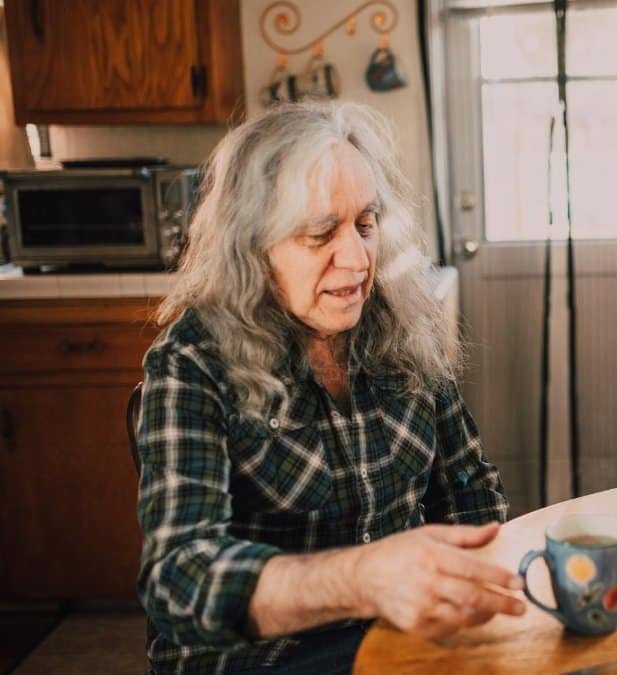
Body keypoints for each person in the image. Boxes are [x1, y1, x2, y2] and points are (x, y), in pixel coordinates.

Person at [136, 102, 525, 674]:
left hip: (400, 642)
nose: (357, 258)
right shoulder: (193, 362)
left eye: (365, 225)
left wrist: (475, 597)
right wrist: (361, 580)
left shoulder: (401, 328)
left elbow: (471, 494)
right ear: (252, 247)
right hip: (262, 660)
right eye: (320, 233)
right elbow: (181, 580)